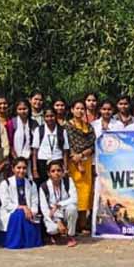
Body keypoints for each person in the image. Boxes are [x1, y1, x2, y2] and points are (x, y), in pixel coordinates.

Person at [0, 157, 43, 249]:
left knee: (29, 215)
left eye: (24, 168)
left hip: (28, 213)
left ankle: (27, 241)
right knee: (20, 214)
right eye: (18, 168)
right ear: (13, 169)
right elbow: (6, 204)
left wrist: (32, 211)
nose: (21, 171)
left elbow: (35, 202)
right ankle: (15, 242)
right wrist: (22, 207)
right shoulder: (5, 183)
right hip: (10, 212)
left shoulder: (31, 184)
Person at [66, 100, 96, 229]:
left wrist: (82, 155)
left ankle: (82, 224)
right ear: (72, 110)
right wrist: (77, 161)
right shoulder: (67, 127)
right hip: (72, 163)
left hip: (86, 162)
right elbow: (68, 146)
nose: (80, 111)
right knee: (74, 191)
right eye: (77, 108)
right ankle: (73, 224)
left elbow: (93, 145)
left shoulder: (89, 127)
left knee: (86, 192)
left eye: (82, 108)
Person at [39, 159, 79, 246]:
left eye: (59, 170)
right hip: (53, 214)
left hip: (65, 211)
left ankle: (70, 235)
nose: (56, 173)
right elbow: (44, 209)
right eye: (53, 171)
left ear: (63, 172)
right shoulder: (44, 187)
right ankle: (56, 234)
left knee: (72, 208)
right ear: (48, 173)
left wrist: (59, 205)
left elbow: (74, 199)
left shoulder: (68, 181)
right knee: (51, 229)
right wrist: (57, 221)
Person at [32, 107, 69, 185]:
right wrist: (35, 169)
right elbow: (35, 151)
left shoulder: (62, 130)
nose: (49, 118)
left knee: (58, 184)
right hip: (42, 163)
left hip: (57, 161)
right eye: (47, 116)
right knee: (43, 185)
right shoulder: (39, 130)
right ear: (44, 117)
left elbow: (65, 151)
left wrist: (65, 168)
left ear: (56, 116)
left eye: (52, 116)